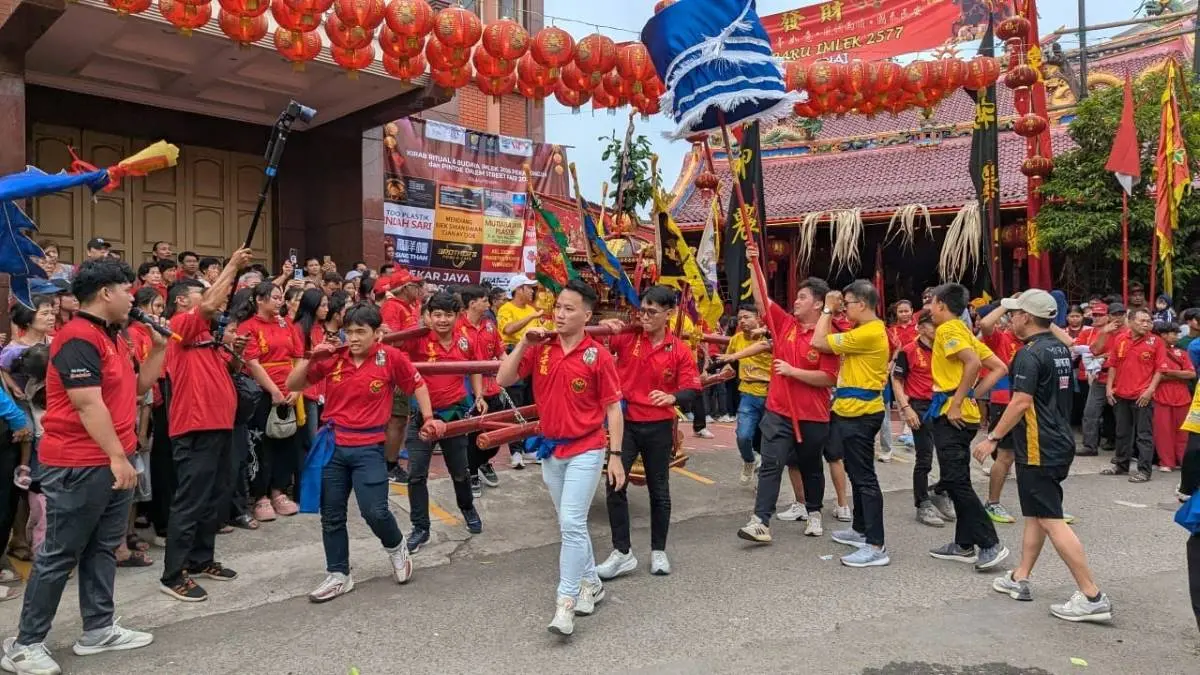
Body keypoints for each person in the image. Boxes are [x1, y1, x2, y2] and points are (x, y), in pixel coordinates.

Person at [2, 259, 166, 675]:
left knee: (101, 549)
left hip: (112, 459)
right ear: (106, 293)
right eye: (127, 289)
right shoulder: (77, 337)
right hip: (80, 462)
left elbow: (138, 387)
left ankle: (98, 629)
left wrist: (161, 349)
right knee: (59, 554)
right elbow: (86, 402)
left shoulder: (116, 336)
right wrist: (116, 457)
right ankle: (24, 644)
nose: (134, 297)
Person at [496, 279, 624, 637]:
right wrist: (524, 341)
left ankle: (564, 603)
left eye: (569, 309)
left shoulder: (596, 355)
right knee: (571, 524)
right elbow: (503, 379)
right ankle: (592, 584)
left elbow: (613, 408)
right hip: (552, 449)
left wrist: (615, 456)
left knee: (570, 522)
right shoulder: (543, 348)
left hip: (587, 445)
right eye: (558, 308)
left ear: (586, 314)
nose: (561, 314)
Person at [978, 290, 1113, 624]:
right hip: (1057, 441)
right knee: (1037, 514)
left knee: (1051, 517)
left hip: (1039, 446)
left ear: (1026, 317)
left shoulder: (1030, 354)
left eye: (1014, 313)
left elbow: (1021, 402)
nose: (1010, 318)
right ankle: (1019, 576)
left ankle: (1092, 595)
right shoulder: (1060, 349)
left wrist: (993, 438)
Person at [286, 303, 434, 603]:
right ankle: (339, 574)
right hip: (334, 446)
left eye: (360, 332)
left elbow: (418, 384)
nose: (353, 338)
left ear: (377, 333)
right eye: (349, 331)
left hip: (368, 447)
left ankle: (396, 547)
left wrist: (429, 418)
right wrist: (310, 358)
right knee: (331, 515)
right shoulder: (334, 358)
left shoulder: (390, 358)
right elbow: (293, 384)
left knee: (374, 511)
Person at [158, 250, 252, 602]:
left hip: (219, 426)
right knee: (191, 500)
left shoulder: (206, 338)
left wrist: (232, 351)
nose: (207, 298)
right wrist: (231, 266)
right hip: (194, 428)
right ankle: (173, 573)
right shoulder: (179, 327)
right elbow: (212, 305)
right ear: (183, 301)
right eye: (200, 292)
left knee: (215, 495)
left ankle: (201, 559)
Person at [595, 286, 700, 578]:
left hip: (658, 427)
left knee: (659, 490)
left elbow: (692, 388)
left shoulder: (678, 349)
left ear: (669, 314)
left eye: (652, 312)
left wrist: (673, 397)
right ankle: (622, 552)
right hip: (625, 424)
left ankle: (658, 551)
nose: (645, 316)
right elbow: (592, 344)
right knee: (615, 485)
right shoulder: (628, 336)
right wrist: (604, 327)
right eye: (642, 310)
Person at [737, 270, 840, 545]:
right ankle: (760, 521)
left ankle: (814, 511)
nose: (796, 301)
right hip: (778, 411)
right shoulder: (785, 324)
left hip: (813, 415)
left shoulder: (827, 336)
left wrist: (793, 372)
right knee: (771, 464)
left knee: (811, 466)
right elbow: (762, 299)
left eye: (802, 297)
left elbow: (829, 378)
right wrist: (753, 264)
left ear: (818, 304)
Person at [923, 283, 1009, 571]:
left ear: (941, 305)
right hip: (964, 414)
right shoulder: (965, 333)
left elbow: (972, 364)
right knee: (957, 478)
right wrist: (973, 395)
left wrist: (958, 401)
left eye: (931, 303)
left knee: (957, 481)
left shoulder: (948, 330)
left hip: (952, 414)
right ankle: (963, 543)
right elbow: (999, 367)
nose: (928, 308)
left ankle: (989, 544)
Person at [395, 291, 485, 553]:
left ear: (457, 316)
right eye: (437, 314)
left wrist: (478, 395)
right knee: (416, 475)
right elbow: (392, 349)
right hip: (421, 417)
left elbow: (476, 367)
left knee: (460, 471)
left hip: (454, 415)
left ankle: (467, 508)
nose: (442, 320)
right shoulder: (417, 340)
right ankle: (420, 528)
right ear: (428, 316)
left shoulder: (466, 340)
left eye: (448, 314)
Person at [812, 280, 892, 567]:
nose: (843, 309)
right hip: (852, 410)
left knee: (865, 479)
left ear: (862, 304)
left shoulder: (870, 332)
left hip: (861, 413)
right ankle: (861, 531)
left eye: (846, 304)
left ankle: (876, 545)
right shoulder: (864, 330)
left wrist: (826, 310)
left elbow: (819, 343)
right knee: (858, 475)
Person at [236, 282, 304, 521]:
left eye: (281, 298)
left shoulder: (288, 325)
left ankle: (279, 491)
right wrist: (273, 390)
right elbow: (252, 363)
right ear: (260, 300)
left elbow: (298, 357)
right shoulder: (248, 327)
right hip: (261, 393)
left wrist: (296, 388)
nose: (280, 302)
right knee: (260, 443)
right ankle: (261, 496)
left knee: (286, 441)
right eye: (275, 297)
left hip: (289, 389)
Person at [891, 310, 956, 527]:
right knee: (924, 458)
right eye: (932, 325)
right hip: (919, 406)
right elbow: (897, 381)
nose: (937, 329)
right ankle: (922, 503)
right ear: (921, 327)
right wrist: (906, 408)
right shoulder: (909, 351)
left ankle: (940, 490)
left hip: (944, 404)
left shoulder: (946, 348)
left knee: (950, 455)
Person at [455, 285, 507, 496]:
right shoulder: (457, 328)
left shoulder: (489, 326)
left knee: (496, 434)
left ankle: (483, 461)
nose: (488, 304)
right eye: (484, 300)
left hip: (492, 387)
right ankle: (472, 471)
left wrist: (511, 368)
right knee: (473, 433)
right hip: (467, 388)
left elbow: (500, 353)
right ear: (472, 303)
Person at [1102, 307, 1164, 483]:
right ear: (1130, 322)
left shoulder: (1156, 341)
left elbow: (1160, 369)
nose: (1146, 324)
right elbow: (1113, 364)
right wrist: (1109, 387)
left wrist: (1150, 390)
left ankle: (1144, 471)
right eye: (1142, 321)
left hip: (1142, 395)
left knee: (1144, 434)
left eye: (1149, 321)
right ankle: (1121, 465)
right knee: (1122, 432)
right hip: (1121, 394)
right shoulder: (1121, 339)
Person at [977, 303, 1023, 524]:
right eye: (1016, 316)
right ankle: (992, 503)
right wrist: (1006, 304)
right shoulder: (1001, 338)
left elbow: (1069, 343)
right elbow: (985, 324)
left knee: (1032, 456)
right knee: (1006, 456)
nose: (1022, 320)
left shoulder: (1036, 341)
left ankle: (1048, 506)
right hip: (1005, 401)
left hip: (1030, 403)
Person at [717, 304, 773, 484]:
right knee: (743, 436)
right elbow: (729, 362)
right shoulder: (736, 339)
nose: (742, 321)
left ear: (759, 317)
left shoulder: (769, 336)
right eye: (740, 318)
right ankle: (749, 460)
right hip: (747, 393)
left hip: (771, 393)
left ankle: (763, 483)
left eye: (747, 317)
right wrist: (721, 372)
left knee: (767, 440)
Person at [497, 275, 544, 468]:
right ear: (518, 289)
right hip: (514, 353)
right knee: (514, 404)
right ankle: (515, 451)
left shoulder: (531, 309)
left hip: (533, 356)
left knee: (531, 402)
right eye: (529, 288)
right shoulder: (506, 309)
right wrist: (531, 318)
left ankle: (529, 448)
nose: (532, 291)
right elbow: (508, 329)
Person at [1151, 321, 1194, 472]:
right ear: (1163, 335)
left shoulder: (1181, 353)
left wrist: (1168, 372)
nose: (1177, 336)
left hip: (1182, 396)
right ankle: (1166, 462)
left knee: (1183, 432)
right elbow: (1155, 376)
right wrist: (1179, 375)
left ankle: (1183, 461)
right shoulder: (1154, 352)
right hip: (1161, 396)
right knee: (1163, 432)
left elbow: (1192, 374)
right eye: (1174, 333)